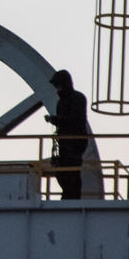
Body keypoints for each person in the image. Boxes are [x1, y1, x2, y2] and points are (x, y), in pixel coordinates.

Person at [44, 69, 88, 200]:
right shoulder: (62, 102)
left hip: (75, 142)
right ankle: (68, 195)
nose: (57, 89)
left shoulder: (78, 98)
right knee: (62, 171)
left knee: (72, 171)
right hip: (65, 142)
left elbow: (76, 119)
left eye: (59, 86)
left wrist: (56, 120)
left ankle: (72, 196)